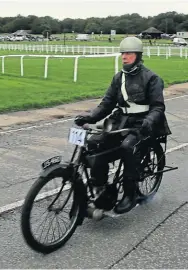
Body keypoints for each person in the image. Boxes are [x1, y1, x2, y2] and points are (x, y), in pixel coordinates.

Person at [74, 36, 171, 214]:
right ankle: (99, 189)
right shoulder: (119, 77)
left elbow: (158, 107)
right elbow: (107, 104)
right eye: (123, 53)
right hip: (121, 121)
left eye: (128, 53)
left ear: (138, 55)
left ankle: (130, 194)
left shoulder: (152, 78)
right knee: (95, 143)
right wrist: (89, 117)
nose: (124, 56)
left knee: (128, 147)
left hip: (143, 124)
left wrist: (148, 121)